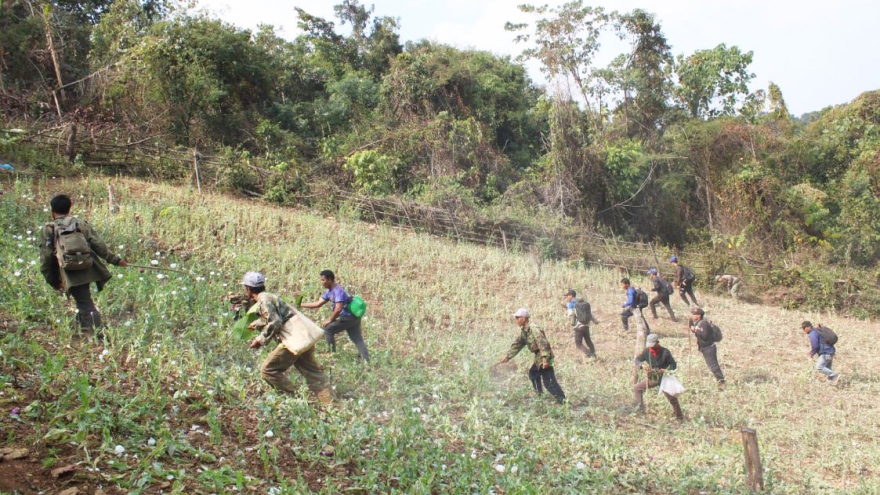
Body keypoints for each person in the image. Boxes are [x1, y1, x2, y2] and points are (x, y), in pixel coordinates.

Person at [39, 194, 128, 336]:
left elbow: (47, 257)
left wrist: (51, 279)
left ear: (53, 211)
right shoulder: (80, 223)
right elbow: (99, 245)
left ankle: (97, 334)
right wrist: (116, 260)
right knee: (83, 299)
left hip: (69, 271)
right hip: (87, 267)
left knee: (85, 303)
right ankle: (84, 329)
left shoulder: (49, 228)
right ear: (69, 208)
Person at [241, 272, 334, 404]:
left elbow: (275, 322)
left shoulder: (263, 301)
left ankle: (297, 399)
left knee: (268, 370)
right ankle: (331, 404)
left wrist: (260, 340)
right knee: (313, 374)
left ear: (248, 289)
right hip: (303, 336)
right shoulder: (270, 297)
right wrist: (257, 323)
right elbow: (279, 317)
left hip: (293, 339)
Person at [498, 308, 566, 404]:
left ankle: (563, 402)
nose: (516, 320)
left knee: (549, 382)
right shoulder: (525, 331)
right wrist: (508, 357)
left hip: (544, 356)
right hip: (539, 356)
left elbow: (543, 343)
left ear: (524, 318)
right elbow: (518, 344)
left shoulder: (534, 329)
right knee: (533, 374)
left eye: (518, 318)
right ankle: (539, 394)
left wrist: (545, 359)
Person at [301, 269, 370, 362]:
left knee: (328, 330)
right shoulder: (329, 291)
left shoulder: (338, 291)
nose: (322, 283)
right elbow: (317, 304)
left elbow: (338, 308)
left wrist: (330, 319)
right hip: (354, 317)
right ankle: (366, 360)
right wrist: (301, 305)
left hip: (348, 317)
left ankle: (332, 355)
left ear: (330, 280)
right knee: (357, 338)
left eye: (323, 280)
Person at [633, 334, 683, 421]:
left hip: (664, 379)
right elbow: (637, 360)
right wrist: (642, 365)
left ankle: (679, 417)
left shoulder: (665, 352)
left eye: (653, 345)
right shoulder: (646, 351)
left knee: (672, 399)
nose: (651, 348)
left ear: (657, 343)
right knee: (637, 388)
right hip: (653, 378)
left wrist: (665, 370)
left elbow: (674, 365)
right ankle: (640, 411)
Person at [688, 307, 726, 388]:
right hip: (704, 347)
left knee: (713, 365)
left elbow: (705, 336)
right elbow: (693, 328)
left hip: (709, 348)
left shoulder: (703, 324)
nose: (692, 315)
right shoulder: (698, 323)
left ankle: (722, 382)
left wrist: (695, 331)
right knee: (711, 365)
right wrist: (690, 321)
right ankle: (720, 381)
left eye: (694, 314)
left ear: (699, 315)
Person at [801, 321, 841, 386]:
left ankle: (835, 375)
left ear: (808, 327)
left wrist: (812, 353)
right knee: (828, 369)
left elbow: (815, 345)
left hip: (825, 353)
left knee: (819, 366)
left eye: (804, 328)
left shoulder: (813, 333)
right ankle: (832, 383)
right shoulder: (817, 331)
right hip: (830, 351)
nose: (803, 330)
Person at [564, 289, 599, 358]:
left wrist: (567, 312)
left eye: (567, 296)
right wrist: (595, 321)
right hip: (586, 325)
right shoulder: (581, 302)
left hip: (578, 326)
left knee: (578, 344)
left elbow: (570, 313)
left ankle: (590, 355)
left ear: (571, 295)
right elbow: (590, 314)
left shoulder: (570, 303)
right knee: (588, 341)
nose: (567, 297)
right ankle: (593, 353)